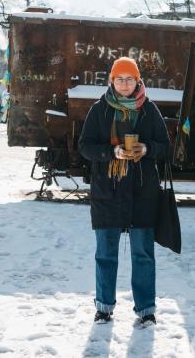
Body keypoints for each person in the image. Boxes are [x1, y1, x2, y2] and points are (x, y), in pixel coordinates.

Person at [78, 57, 169, 326]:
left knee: (142, 254)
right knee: (106, 253)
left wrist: (147, 149)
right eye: (120, 79)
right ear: (112, 81)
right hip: (108, 191)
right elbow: (85, 146)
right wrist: (111, 152)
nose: (125, 84)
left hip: (142, 193)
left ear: (138, 80)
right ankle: (104, 307)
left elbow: (166, 146)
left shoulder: (149, 110)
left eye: (130, 79)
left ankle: (146, 310)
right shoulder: (99, 110)